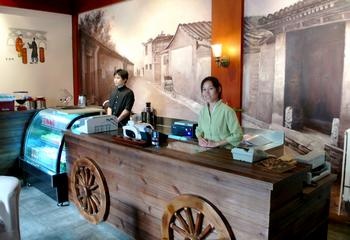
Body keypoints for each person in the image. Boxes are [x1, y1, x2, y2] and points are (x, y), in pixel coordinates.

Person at [195, 76, 243, 148]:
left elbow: (238, 135)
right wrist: (199, 138)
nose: (207, 92)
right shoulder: (202, 111)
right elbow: (199, 130)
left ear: (218, 89)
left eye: (211, 89)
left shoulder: (227, 111)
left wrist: (217, 143)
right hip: (206, 151)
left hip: (224, 154)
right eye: (204, 89)